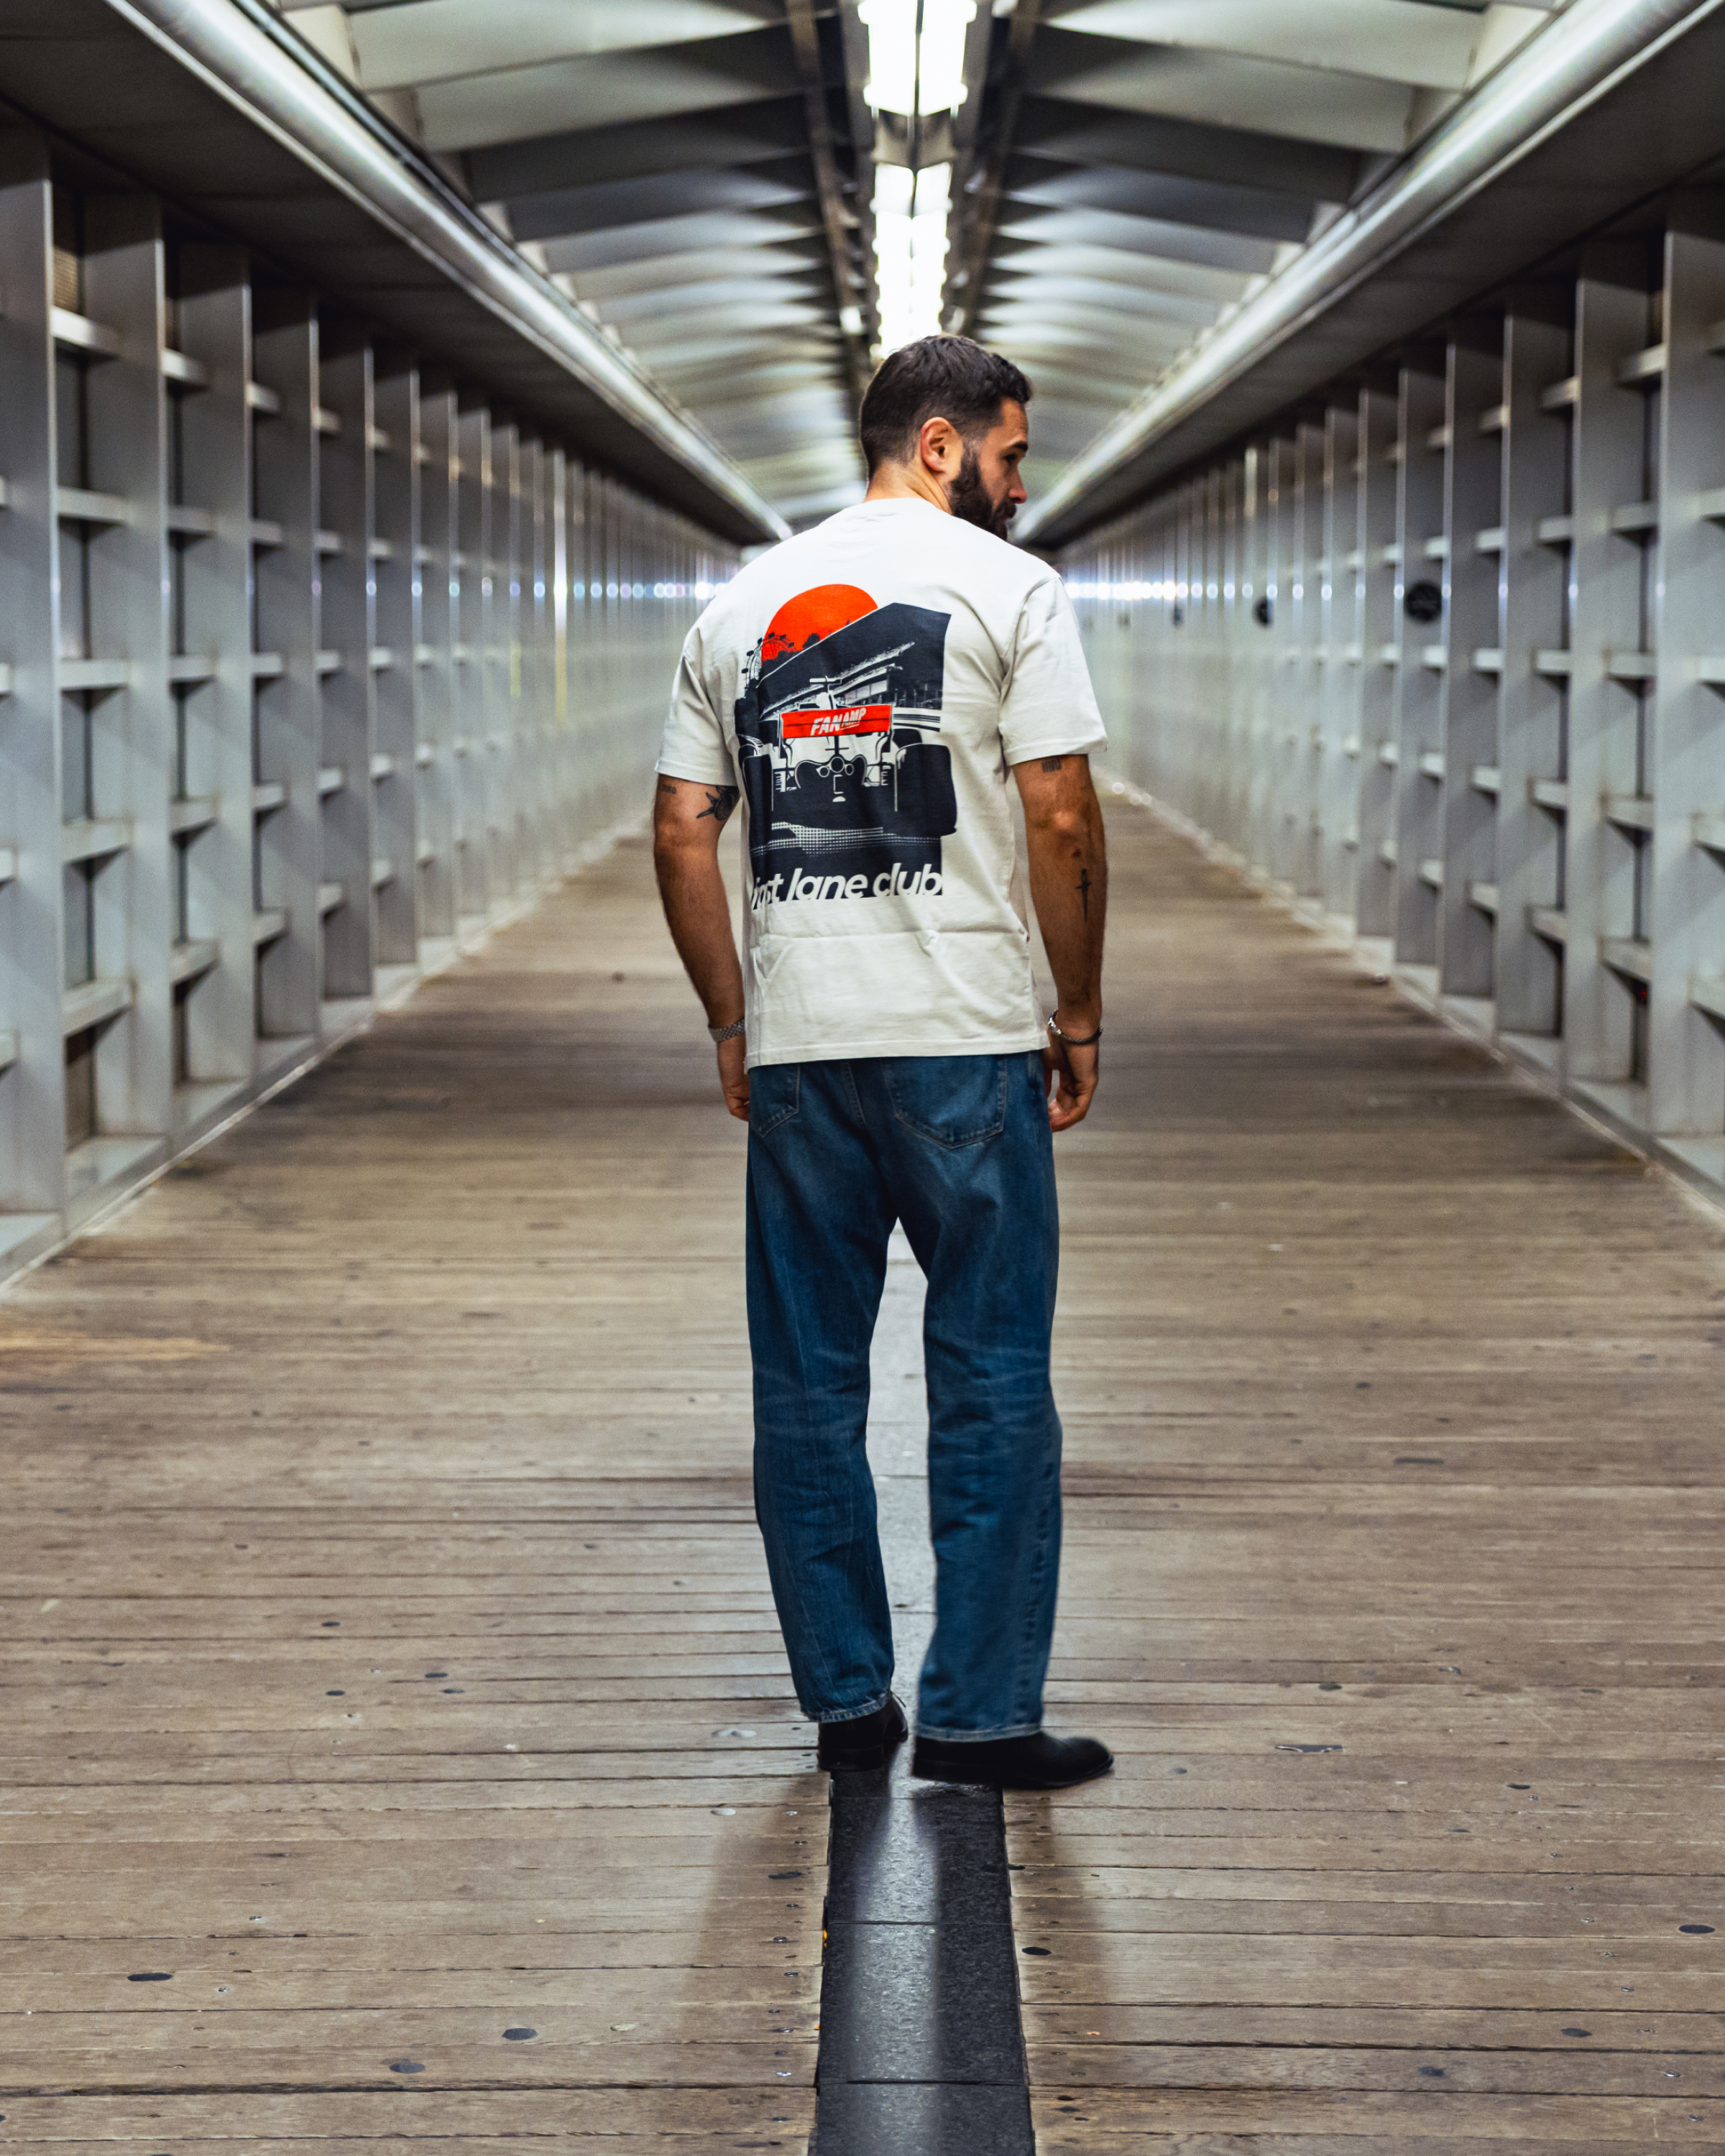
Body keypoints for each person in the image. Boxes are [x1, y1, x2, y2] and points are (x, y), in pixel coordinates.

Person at [651, 335, 1110, 1792]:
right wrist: (1078, 1012)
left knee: (806, 1382)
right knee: (991, 1374)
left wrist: (733, 1020)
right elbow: (1059, 810)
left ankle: (848, 1703)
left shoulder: (739, 607)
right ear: (938, 444)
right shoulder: (1010, 591)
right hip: (964, 1041)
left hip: (804, 1053)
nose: (1022, 485)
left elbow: (681, 827)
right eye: (1011, 455)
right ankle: (979, 1718)